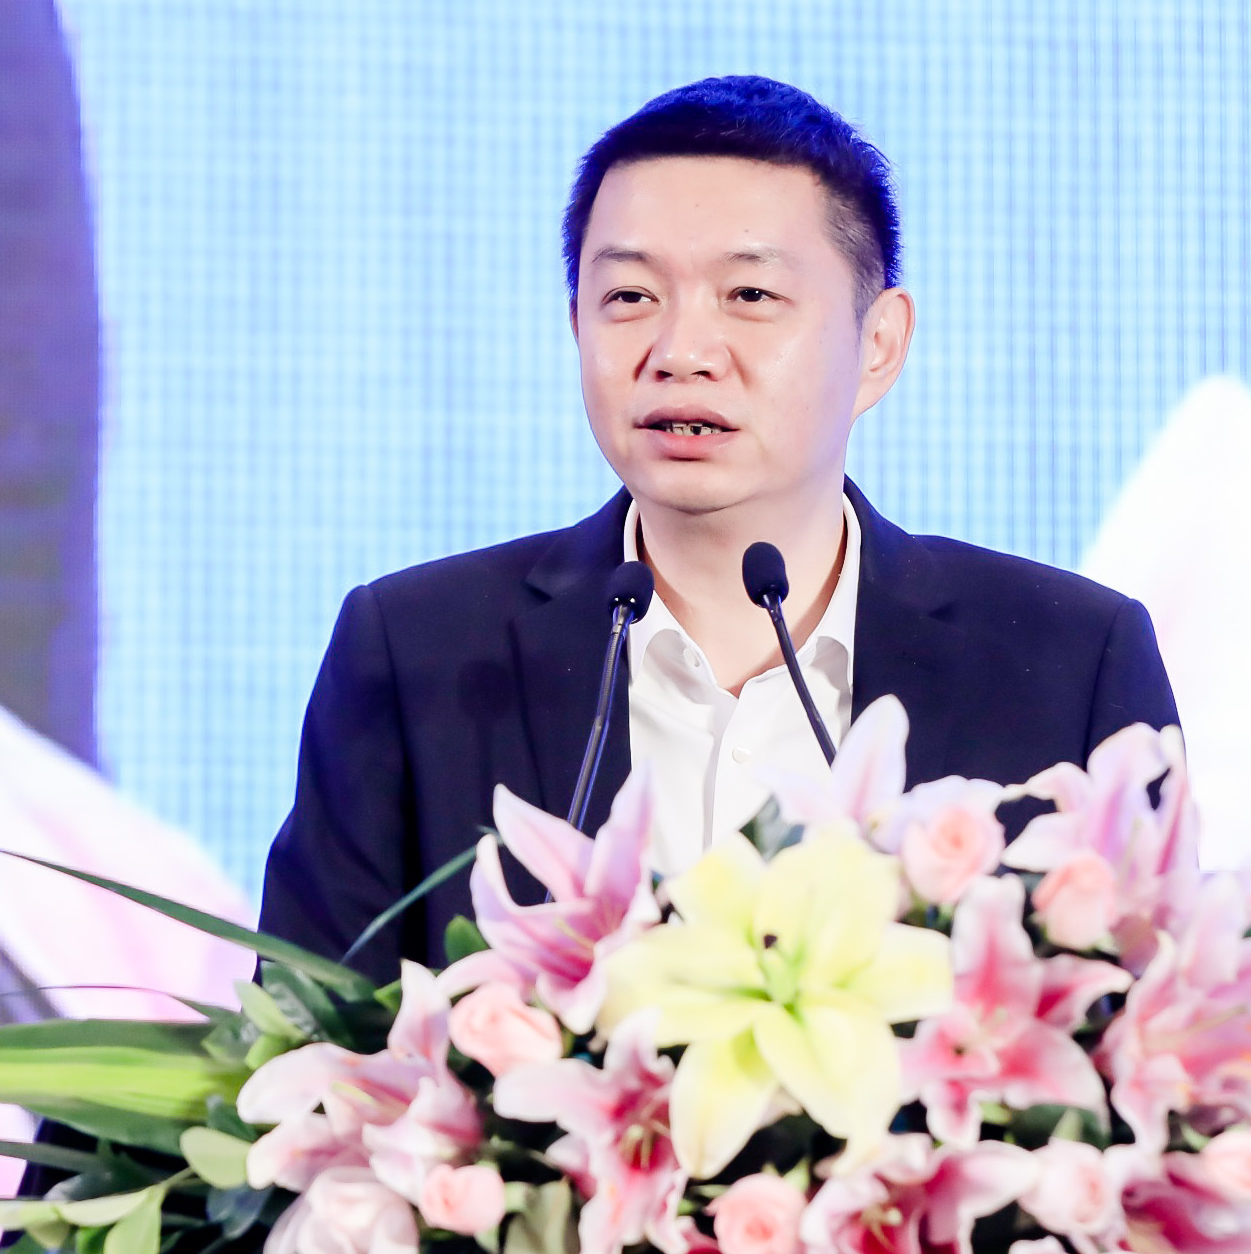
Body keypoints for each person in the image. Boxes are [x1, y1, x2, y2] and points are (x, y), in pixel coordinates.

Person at [260, 74, 1180, 977]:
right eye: (629, 297)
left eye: (749, 296)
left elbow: (1147, 1027)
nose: (681, 353)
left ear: (878, 344)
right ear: (576, 325)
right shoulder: (416, 653)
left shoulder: (1071, 663)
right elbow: (307, 1041)